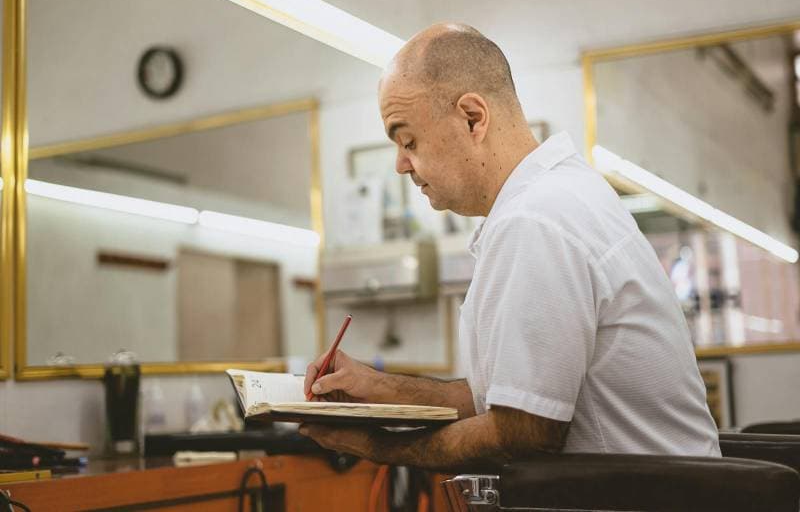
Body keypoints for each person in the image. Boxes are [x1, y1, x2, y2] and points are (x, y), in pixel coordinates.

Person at [299, 23, 720, 470]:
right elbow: (507, 399)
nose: (402, 164)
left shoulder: (537, 219)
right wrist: (380, 388)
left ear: (473, 118)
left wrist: (376, 447)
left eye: (408, 140)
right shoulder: (556, 196)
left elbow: (524, 432)